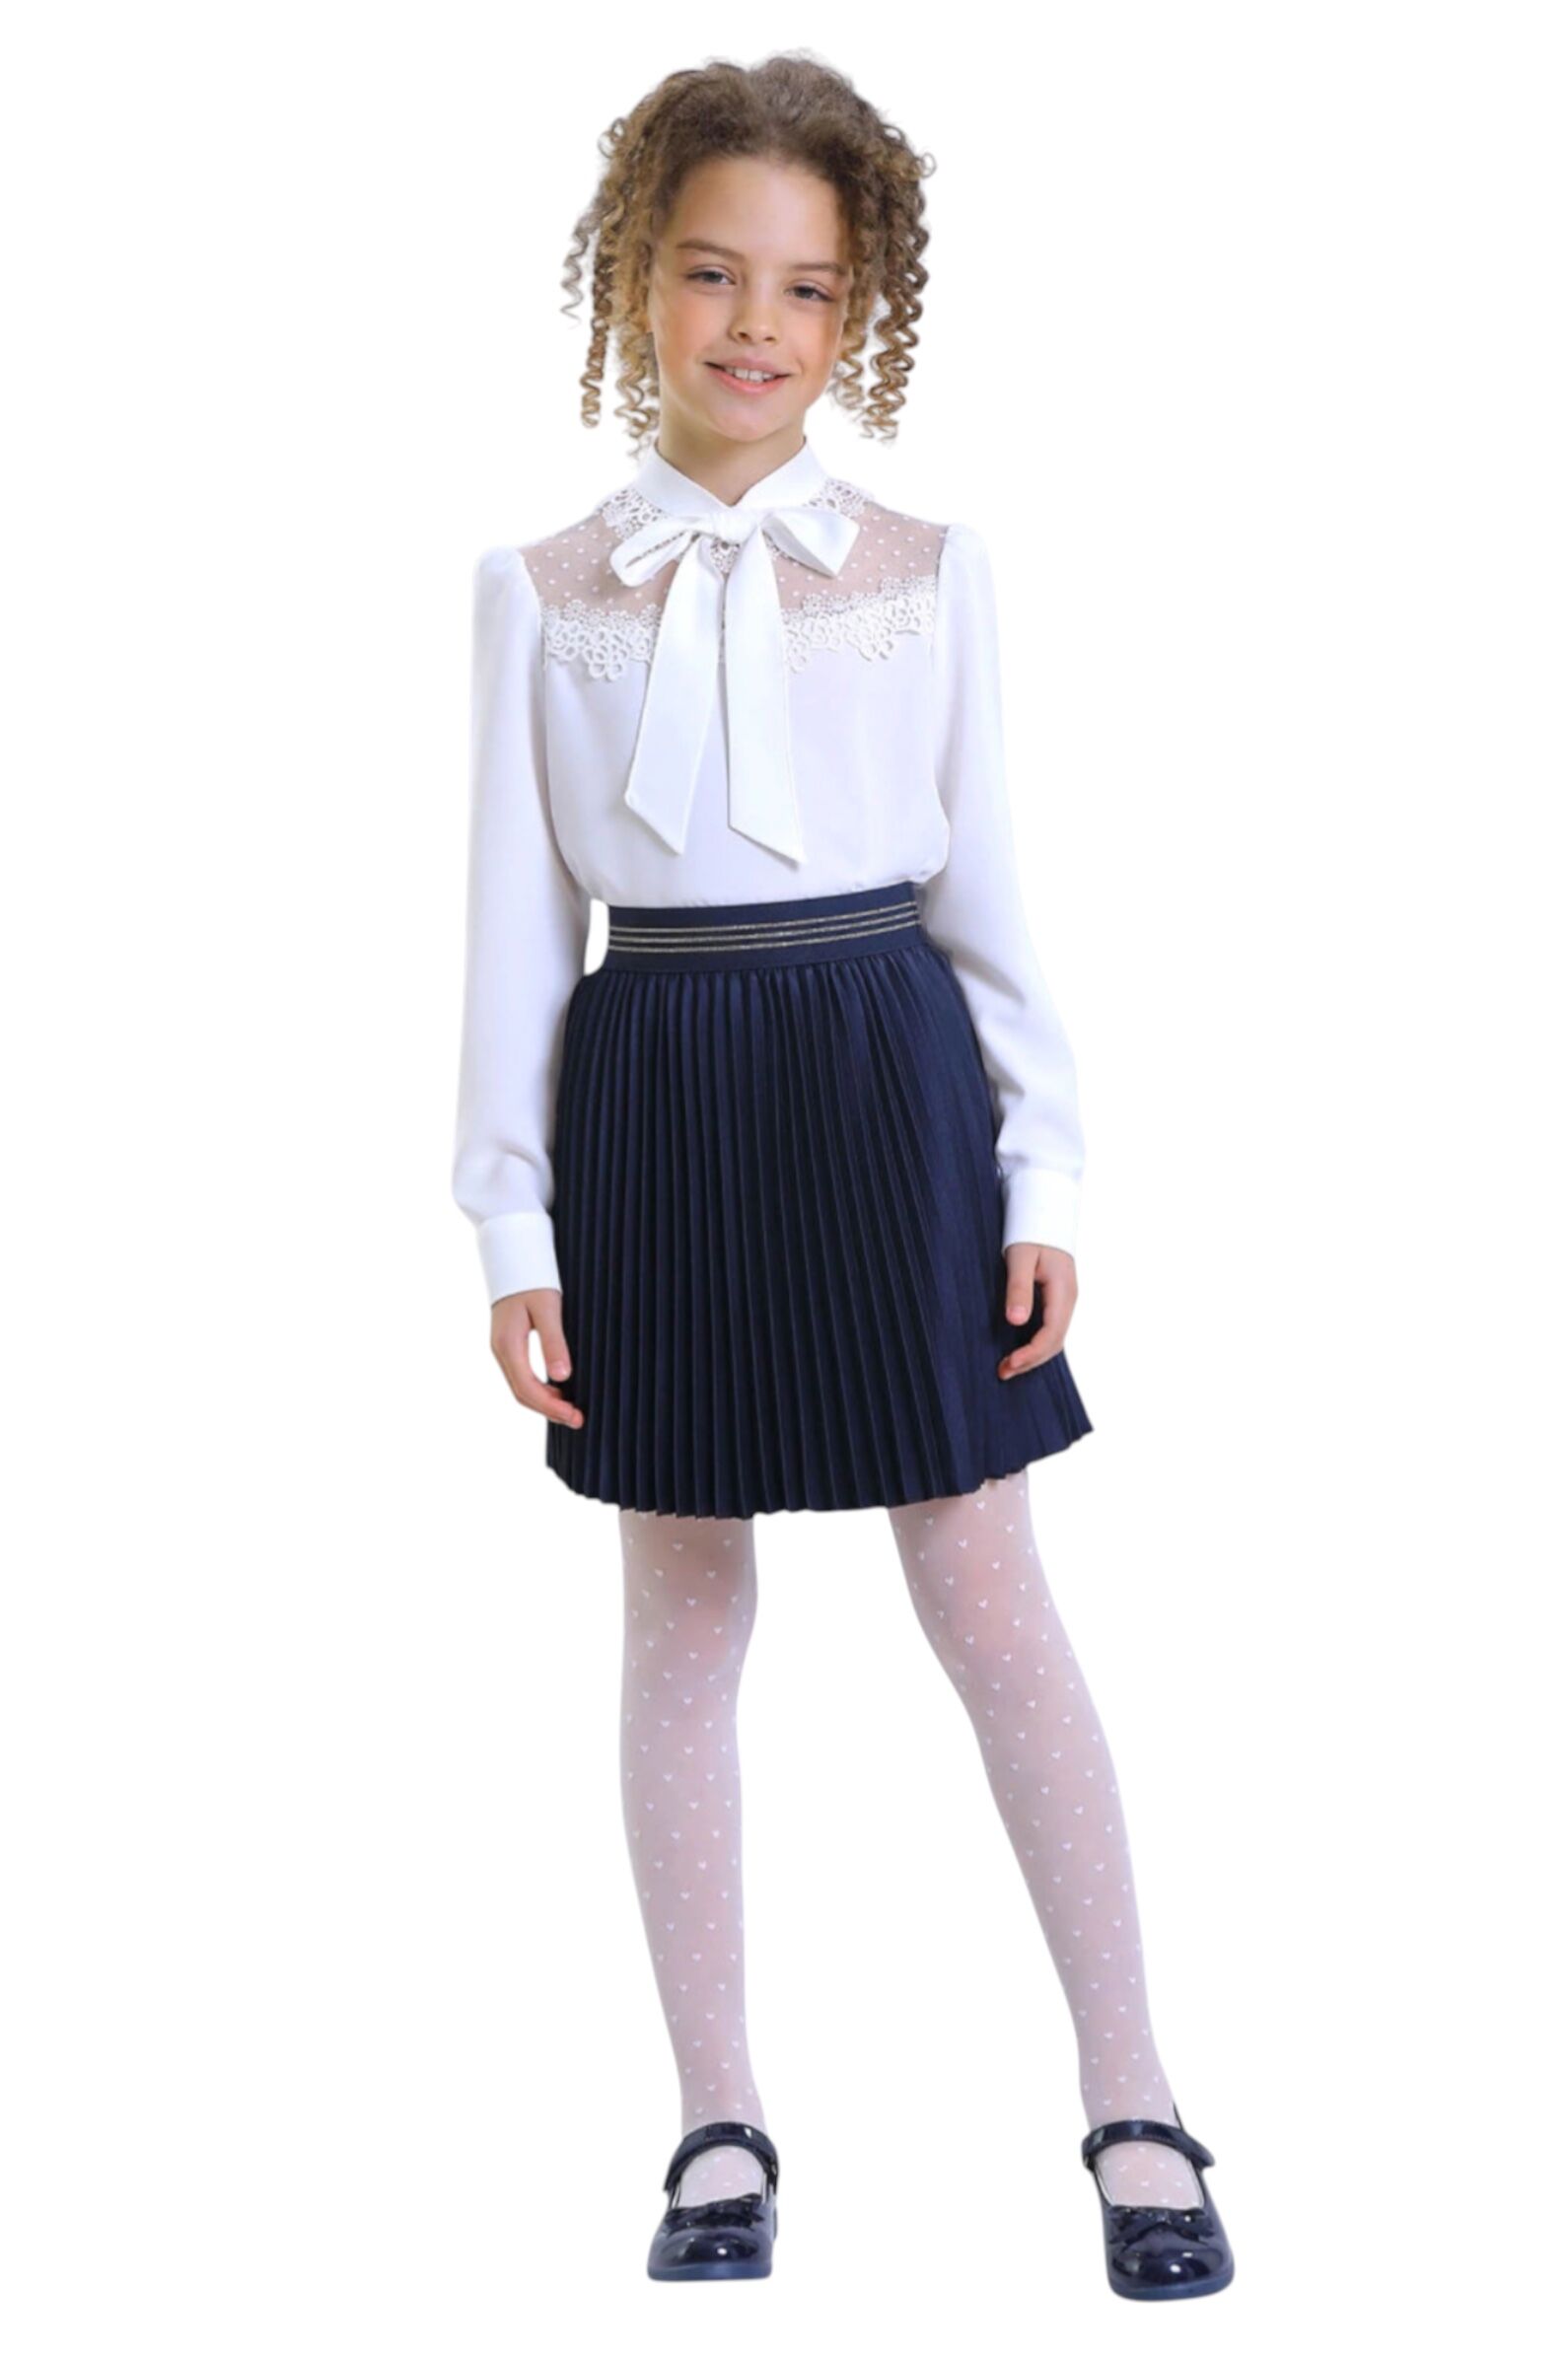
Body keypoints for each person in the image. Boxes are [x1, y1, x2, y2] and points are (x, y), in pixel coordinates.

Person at [452, 51, 1234, 2299]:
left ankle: (1134, 2095)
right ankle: (718, 2120)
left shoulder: (925, 572)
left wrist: (1043, 1174)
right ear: (636, 276)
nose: (755, 324)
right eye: (712, 272)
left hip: (889, 1083)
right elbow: (514, 926)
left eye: (806, 286)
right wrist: (509, 1217)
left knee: (987, 1594)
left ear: (861, 310)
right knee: (682, 1608)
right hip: (660, 1093)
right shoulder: (539, 589)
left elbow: (991, 898)